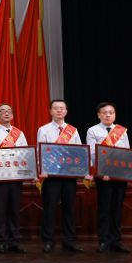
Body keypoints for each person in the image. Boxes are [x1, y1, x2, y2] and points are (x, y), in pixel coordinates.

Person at [37, 99, 84, 253]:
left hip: (69, 176)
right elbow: (40, 152)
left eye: (62, 108)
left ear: (66, 111)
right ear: (50, 111)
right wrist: (42, 169)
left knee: (69, 209)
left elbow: (79, 152)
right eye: (56, 108)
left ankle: (69, 241)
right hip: (51, 176)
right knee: (49, 209)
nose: (59, 111)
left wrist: (81, 170)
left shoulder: (73, 130)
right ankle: (48, 241)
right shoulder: (43, 130)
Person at [86, 101, 130, 254]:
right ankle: (104, 241)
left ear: (115, 114)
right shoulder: (92, 130)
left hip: (119, 175)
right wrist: (101, 171)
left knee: (117, 208)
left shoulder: (122, 131)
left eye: (111, 112)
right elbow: (92, 153)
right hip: (103, 175)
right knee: (104, 208)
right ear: (99, 115)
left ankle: (116, 241)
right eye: (104, 112)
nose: (108, 115)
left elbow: (127, 152)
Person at [0, 103, 28, 254]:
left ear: (13, 115)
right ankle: (1, 242)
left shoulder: (19, 134)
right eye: (3, 111)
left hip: (16, 177)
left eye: (9, 111)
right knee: (0, 211)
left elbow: (25, 154)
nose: (6, 113)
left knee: (15, 210)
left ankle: (15, 241)